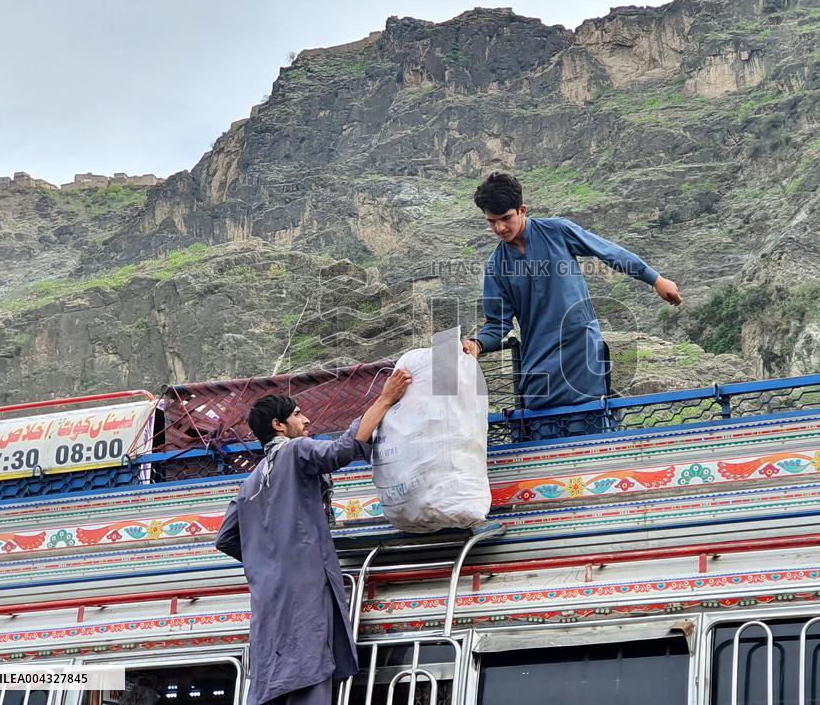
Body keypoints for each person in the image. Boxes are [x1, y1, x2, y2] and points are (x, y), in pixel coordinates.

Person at [214, 369, 412, 705]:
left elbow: (226, 539)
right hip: (304, 600)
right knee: (310, 672)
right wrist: (386, 399)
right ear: (279, 426)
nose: (306, 421)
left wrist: (269, 561)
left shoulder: (249, 483)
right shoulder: (294, 452)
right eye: (298, 415)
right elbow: (340, 451)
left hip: (271, 611)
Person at [462, 172, 682, 410]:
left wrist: (655, 279)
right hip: (539, 366)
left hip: (582, 355)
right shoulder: (496, 267)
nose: (500, 228)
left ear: (522, 210)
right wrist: (478, 344)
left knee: (591, 433)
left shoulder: (557, 231)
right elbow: (497, 323)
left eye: (506, 218)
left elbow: (608, 252)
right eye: (491, 222)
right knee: (544, 438)